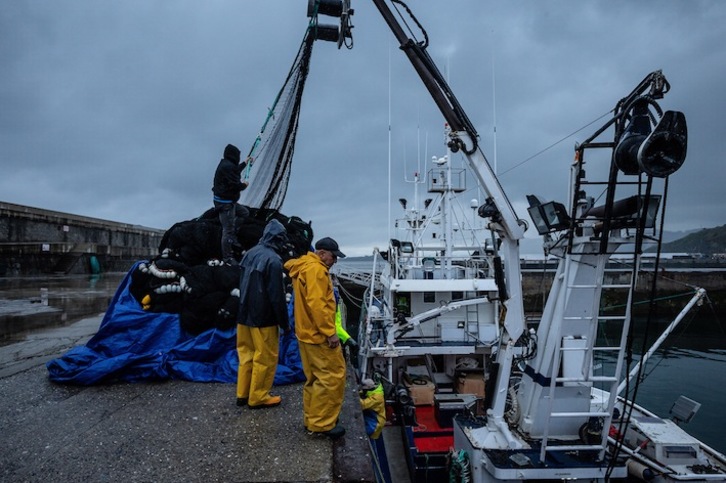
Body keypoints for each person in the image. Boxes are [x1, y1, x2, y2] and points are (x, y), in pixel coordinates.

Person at [284, 236, 347, 439]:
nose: (334, 261)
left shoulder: (302, 266)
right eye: (333, 256)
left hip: (305, 334)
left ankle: (313, 419)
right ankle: (322, 424)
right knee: (332, 377)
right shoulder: (317, 271)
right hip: (318, 336)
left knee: (313, 379)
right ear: (321, 253)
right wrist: (330, 333)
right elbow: (318, 305)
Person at [236, 219, 290, 409]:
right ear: (279, 238)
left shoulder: (249, 253)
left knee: (246, 354)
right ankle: (258, 396)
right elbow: (277, 296)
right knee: (265, 357)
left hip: (243, 314)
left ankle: (242, 393)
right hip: (263, 318)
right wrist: (284, 323)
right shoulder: (274, 260)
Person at [212, 143, 250, 265]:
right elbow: (235, 185)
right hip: (225, 204)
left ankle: (232, 237)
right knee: (227, 230)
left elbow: (234, 172)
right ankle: (227, 258)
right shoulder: (228, 167)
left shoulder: (226, 165)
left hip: (228, 201)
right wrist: (243, 185)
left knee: (244, 213)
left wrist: (245, 163)